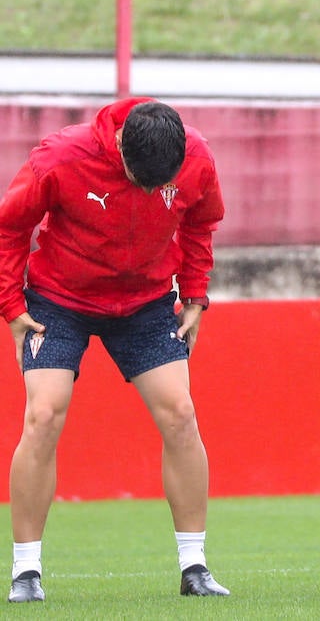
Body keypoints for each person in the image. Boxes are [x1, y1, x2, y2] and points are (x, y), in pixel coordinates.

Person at [0, 98, 229, 602]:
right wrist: (11, 306)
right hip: (59, 300)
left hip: (146, 302)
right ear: (121, 143)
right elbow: (10, 229)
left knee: (181, 413)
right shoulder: (58, 157)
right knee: (43, 414)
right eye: (139, 179)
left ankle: (195, 567)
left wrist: (194, 292)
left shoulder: (198, 157)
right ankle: (26, 572)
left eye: (159, 184)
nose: (150, 192)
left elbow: (200, 224)